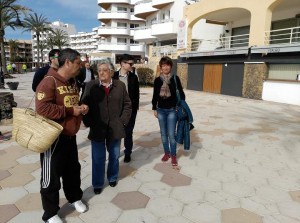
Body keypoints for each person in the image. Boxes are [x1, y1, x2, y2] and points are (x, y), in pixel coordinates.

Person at [35, 48, 88, 223]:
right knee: (51, 177)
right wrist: (71, 110)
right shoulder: (48, 82)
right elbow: (42, 109)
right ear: (68, 63)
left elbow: (72, 103)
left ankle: (74, 198)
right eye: (78, 63)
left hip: (70, 136)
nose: (80, 66)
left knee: (73, 171)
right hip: (54, 138)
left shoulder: (72, 82)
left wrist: (81, 107)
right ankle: (50, 213)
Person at [81, 60, 131, 195]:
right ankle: (97, 183)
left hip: (115, 128)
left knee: (114, 156)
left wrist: (123, 122)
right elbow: (84, 104)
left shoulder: (120, 86)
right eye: (99, 70)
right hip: (98, 128)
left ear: (111, 72)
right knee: (98, 158)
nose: (101, 73)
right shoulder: (91, 85)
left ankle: (112, 177)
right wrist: (88, 122)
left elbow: (127, 105)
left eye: (104, 70)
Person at [152, 56, 185, 166]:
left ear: (171, 66)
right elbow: (155, 96)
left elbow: (182, 94)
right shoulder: (157, 80)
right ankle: (167, 153)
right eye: (163, 65)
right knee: (163, 134)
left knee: (171, 134)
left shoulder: (175, 79)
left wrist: (178, 106)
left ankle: (173, 155)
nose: (165, 67)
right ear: (161, 67)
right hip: (160, 110)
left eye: (167, 65)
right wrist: (154, 108)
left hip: (172, 110)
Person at [113, 54, 139, 163]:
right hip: (116, 109)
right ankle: (115, 153)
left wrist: (135, 107)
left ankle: (128, 152)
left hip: (130, 109)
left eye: (132, 63)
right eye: (130, 63)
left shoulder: (133, 77)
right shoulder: (113, 76)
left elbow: (136, 93)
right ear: (122, 63)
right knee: (116, 132)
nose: (132, 65)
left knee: (128, 132)